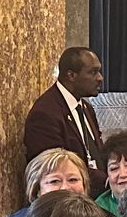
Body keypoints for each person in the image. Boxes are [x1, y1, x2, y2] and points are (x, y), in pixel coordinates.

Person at [22, 47, 105, 184]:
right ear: (71, 75)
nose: (100, 78)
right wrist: (107, 181)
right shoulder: (45, 114)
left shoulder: (86, 108)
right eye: (93, 72)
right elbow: (55, 168)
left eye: (99, 71)